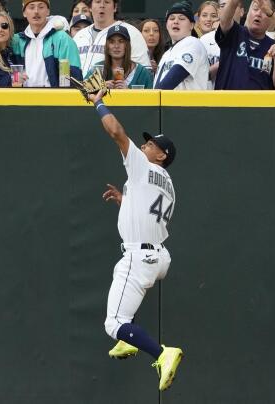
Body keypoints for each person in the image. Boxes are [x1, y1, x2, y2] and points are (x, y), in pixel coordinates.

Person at [87, 87, 183, 392]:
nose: (145, 145)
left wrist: (98, 103)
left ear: (162, 156)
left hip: (139, 257)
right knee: (123, 317)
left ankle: (161, 353)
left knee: (113, 323)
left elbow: (116, 131)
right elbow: (147, 210)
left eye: (151, 144)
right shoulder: (168, 184)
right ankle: (128, 342)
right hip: (158, 257)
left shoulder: (144, 167)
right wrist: (125, 201)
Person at [214, 0, 275, 89]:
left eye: (264, 11)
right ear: (248, 12)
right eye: (255, 8)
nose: (258, 14)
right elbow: (224, 20)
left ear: (271, 19)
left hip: (259, 102)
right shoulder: (233, 33)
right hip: (227, 101)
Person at [11, 0, 82, 87]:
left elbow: (75, 75)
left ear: (48, 11)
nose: (36, 11)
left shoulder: (62, 38)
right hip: (23, 98)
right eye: (31, 7)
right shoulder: (17, 40)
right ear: (24, 13)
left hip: (53, 98)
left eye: (41, 7)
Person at [73, 0, 150, 77]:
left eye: (107, 2)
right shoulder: (79, 35)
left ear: (115, 7)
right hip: (77, 88)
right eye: (97, 1)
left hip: (114, 88)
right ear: (90, 7)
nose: (102, 5)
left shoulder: (132, 32)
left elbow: (144, 72)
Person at [154, 2, 209, 90]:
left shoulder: (193, 43)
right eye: (171, 18)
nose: (175, 21)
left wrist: (153, 99)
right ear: (167, 25)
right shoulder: (167, 53)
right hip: (166, 102)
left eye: (182, 18)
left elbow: (175, 76)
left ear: (191, 25)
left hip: (188, 103)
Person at [87, 25, 153, 89]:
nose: (116, 46)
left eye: (121, 41)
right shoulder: (97, 69)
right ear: (107, 46)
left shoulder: (142, 73)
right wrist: (99, 88)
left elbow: (152, 99)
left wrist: (129, 93)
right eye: (112, 42)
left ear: (127, 45)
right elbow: (81, 94)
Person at [199, 0, 244, 87]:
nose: (228, 9)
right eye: (223, 6)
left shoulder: (250, 37)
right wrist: (224, 62)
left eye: (232, 5)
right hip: (211, 96)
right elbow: (198, 76)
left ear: (241, 11)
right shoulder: (204, 40)